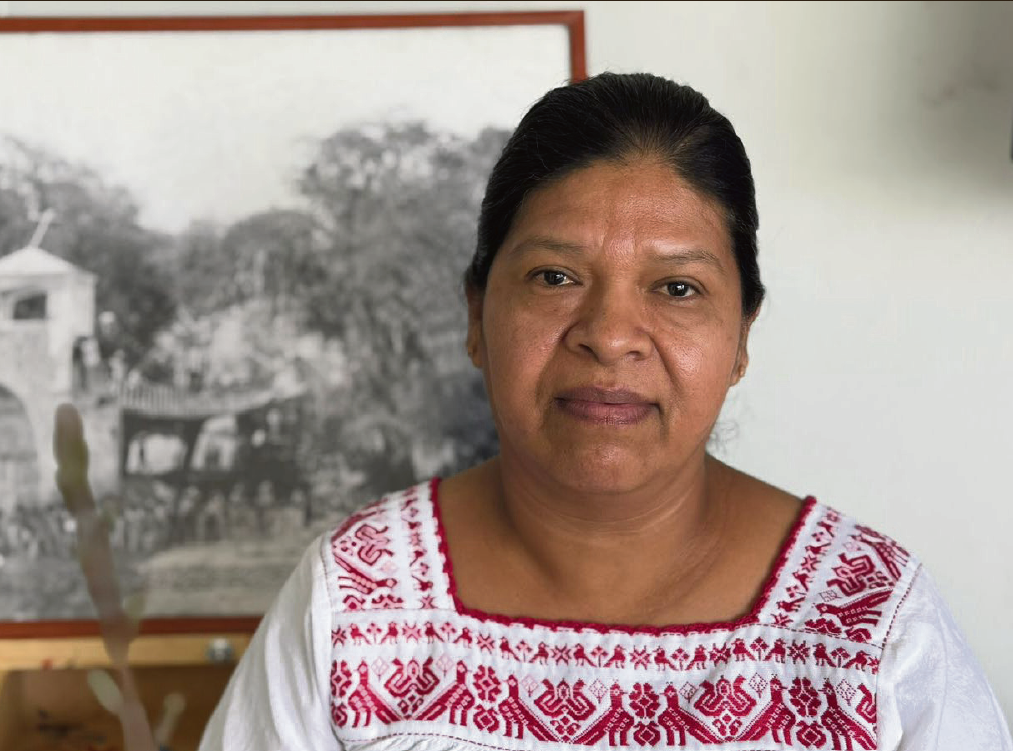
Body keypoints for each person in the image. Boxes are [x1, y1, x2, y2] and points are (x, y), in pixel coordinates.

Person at [197, 73, 1012, 749]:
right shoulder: (356, 599)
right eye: (555, 276)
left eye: (677, 287)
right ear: (477, 315)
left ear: (740, 338)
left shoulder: (872, 625)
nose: (611, 335)